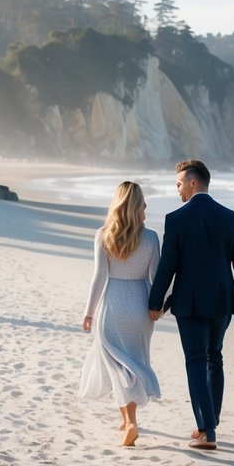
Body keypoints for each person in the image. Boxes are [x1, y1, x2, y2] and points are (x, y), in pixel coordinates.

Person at [148, 159, 234, 451]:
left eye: (179, 184)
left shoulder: (177, 219)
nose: (178, 190)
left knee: (196, 361)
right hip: (222, 299)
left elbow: (168, 266)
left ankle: (208, 432)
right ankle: (209, 423)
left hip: (190, 300)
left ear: (193, 183)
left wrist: (155, 303)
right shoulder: (231, 217)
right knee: (214, 357)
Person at [79, 181, 161, 447]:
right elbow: (155, 278)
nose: (147, 206)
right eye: (143, 201)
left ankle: (132, 423)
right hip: (139, 305)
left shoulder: (104, 235)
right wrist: (156, 307)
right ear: (135, 205)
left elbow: (98, 278)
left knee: (116, 364)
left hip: (112, 305)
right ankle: (126, 421)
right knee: (133, 363)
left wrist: (89, 312)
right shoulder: (150, 238)